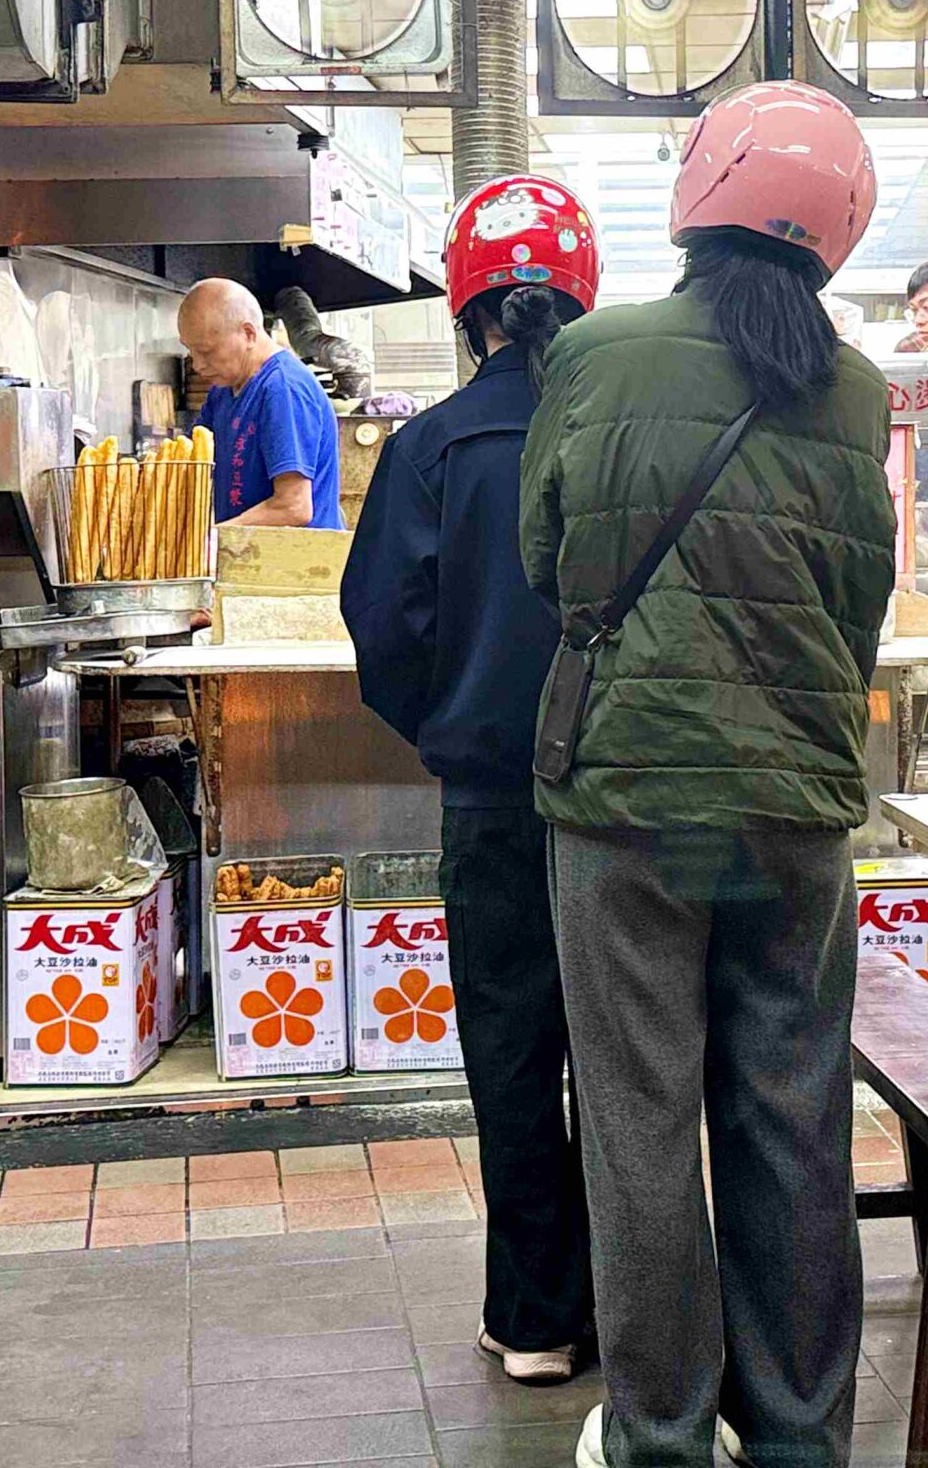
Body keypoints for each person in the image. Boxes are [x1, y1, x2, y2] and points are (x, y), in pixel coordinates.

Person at [521, 80, 893, 1468]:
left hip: (622, 804)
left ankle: (663, 1437)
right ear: (836, 231)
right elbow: (862, 596)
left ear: (695, 198)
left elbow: (549, 565)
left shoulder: (596, 356)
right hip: (790, 810)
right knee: (795, 1121)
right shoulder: (854, 389)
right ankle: (800, 1437)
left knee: (636, 1125)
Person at [340, 176, 601, 1388]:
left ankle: (535, 1316)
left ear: (467, 309)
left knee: (508, 1045)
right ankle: (636, 1302)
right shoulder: (616, 433)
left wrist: (450, 724)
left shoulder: (430, 446)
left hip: (491, 798)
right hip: (620, 798)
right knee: (625, 1051)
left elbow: (383, 629)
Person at [178, 277, 345, 529]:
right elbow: (192, 464)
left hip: (295, 564)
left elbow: (293, 507)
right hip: (246, 559)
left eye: (207, 351)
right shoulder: (223, 388)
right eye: (191, 351)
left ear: (248, 333)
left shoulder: (283, 388)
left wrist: (207, 540)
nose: (198, 365)